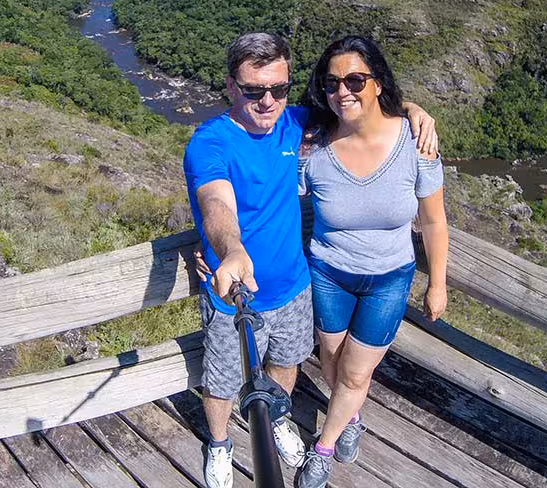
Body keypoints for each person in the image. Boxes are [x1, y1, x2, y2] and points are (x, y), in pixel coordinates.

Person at [184, 32, 437, 488]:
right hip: (234, 295)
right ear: (230, 87)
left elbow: (361, 102)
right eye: (253, 90)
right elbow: (215, 203)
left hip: (296, 286)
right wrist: (230, 249)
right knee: (222, 380)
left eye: (278, 89)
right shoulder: (211, 143)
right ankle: (219, 443)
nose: (267, 101)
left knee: (287, 364)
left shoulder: (299, 123)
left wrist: (415, 112)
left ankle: (279, 419)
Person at [294, 35, 449, 488]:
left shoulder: (415, 143)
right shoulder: (312, 149)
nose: (343, 91)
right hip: (328, 273)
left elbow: (434, 222)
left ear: (377, 83)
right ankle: (351, 415)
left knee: (356, 371)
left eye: (356, 80)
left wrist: (436, 283)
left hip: (388, 278)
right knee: (332, 361)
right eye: (332, 83)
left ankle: (322, 448)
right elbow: (270, 197)